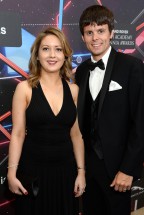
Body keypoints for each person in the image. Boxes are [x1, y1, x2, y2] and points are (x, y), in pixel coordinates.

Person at [75, 5, 144, 215]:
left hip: (118, 169)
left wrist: (128, 169)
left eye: (101, 31)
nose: (95, 37)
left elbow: (141, 123)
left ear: (111, 33)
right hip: (88, 168)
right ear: (83, 36)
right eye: (89, 32)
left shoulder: (132, 66)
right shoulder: (81, 71)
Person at [7, 26, 86, 215]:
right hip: (33, 172)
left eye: (58, 49)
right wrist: (11, 173)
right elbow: (17, 134)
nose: (52, 55)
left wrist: (81, 172)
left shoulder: (73, 90)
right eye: (46, 49)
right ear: (37, 55)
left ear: (65, 55)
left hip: (65, 173)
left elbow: (76, 135)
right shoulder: (24, 89)